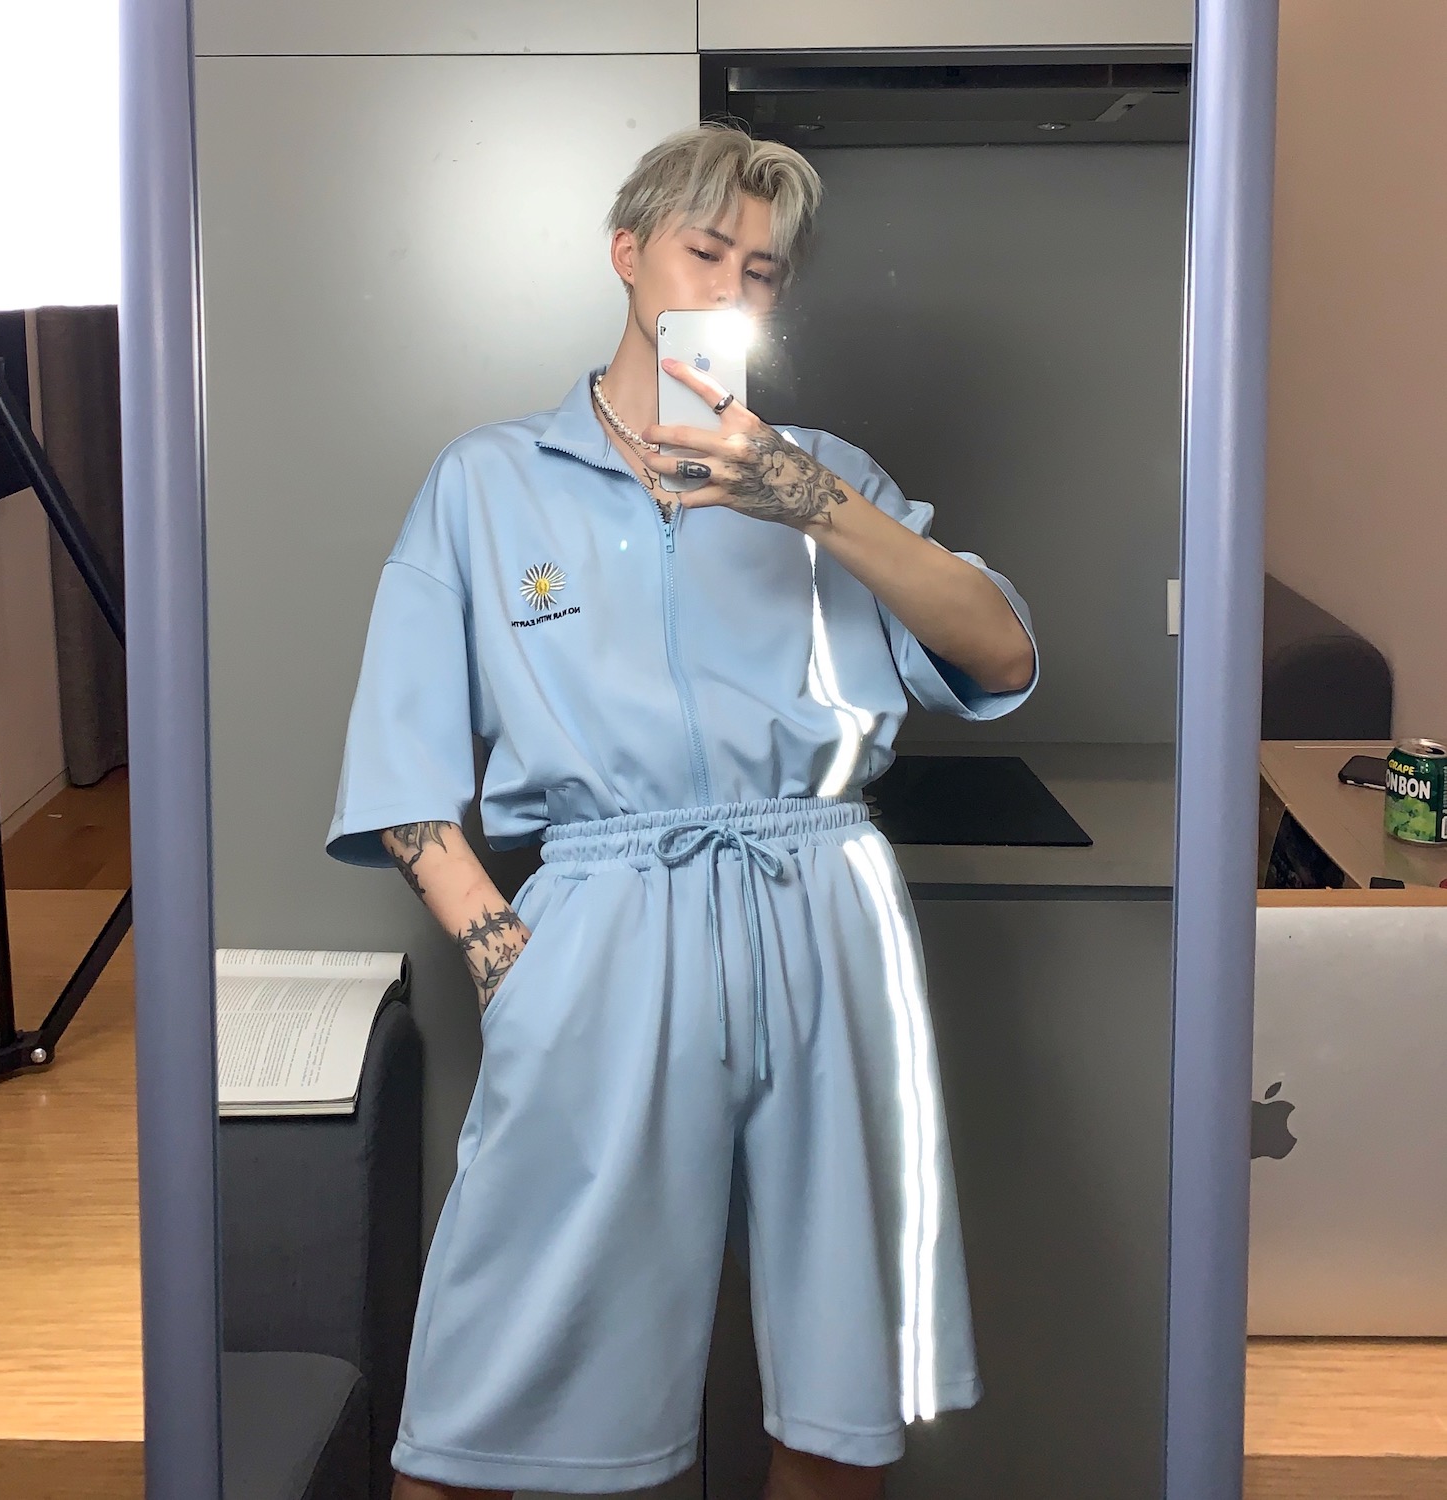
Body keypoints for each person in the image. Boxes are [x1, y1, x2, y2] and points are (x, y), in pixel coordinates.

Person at [326, 122, 1038, 1500]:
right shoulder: (489, 482)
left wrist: (810, 501)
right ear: (627, 252)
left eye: (761, 271)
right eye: (706, 251)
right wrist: (499, 950)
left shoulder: (823, 472)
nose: (729, 286)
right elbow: (400, 763)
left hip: (825, 913)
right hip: (603, 924)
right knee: (498, 1372)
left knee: (845, 1387)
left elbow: (1000, 654)